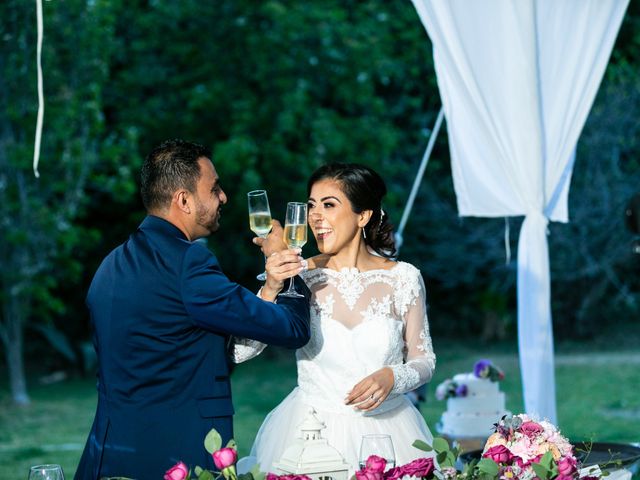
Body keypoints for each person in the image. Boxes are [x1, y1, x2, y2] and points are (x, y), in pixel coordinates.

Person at [75, 139, 311, 480]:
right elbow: (291, 329)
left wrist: (269, 287)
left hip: (107, 454)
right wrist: (285, 259)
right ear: (183, 200)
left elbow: (182, 347)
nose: (223, 197)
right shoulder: (188, 262)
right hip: (176, 458)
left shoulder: (110, 265)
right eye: (214, 189)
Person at [244, 163, 436, 474]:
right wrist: (270, 286)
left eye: (329, 205)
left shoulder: (405, 278)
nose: (315, 217)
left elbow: (423, 360)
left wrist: (393, 376)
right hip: (310, 436)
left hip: (389, 435)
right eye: (311, 206)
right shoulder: (298, 275)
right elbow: (243, 350)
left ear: (363, 215)